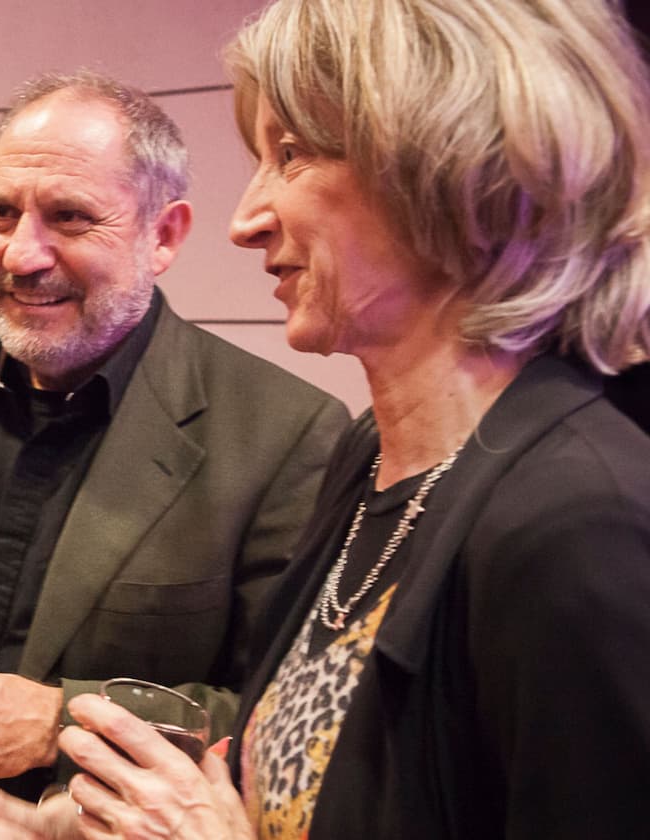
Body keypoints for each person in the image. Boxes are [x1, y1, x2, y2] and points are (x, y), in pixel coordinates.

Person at [53, 0, 650, 837]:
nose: (245, 220)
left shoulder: (581, 525)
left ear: (451, 163)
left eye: (289, 154)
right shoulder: (375, 453)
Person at [0, 68, 351, 806]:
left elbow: (287, 717)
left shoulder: (287, 437)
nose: (22, 255)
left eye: (69, 218)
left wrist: (58, 725)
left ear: (164, 235)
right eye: (0, 213)